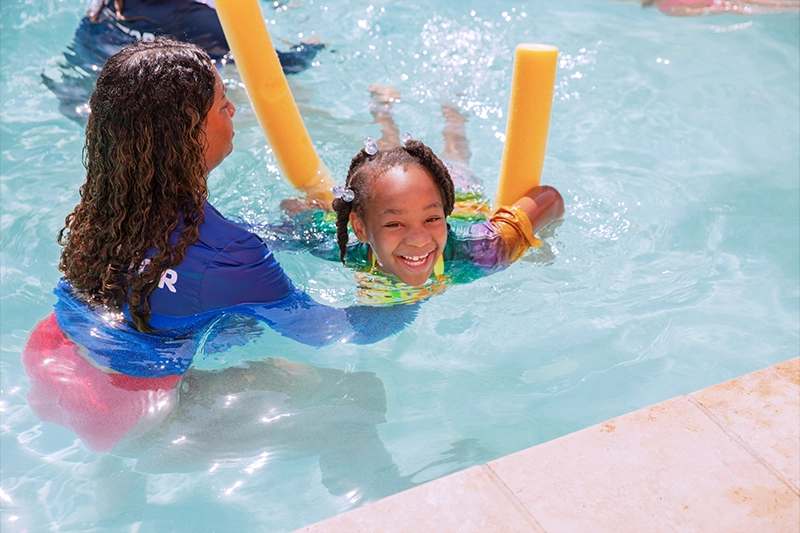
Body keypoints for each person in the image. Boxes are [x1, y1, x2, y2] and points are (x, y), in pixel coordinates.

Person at [262, 86, 565, 305]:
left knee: (456, 153)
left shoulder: (481, 249)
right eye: (394, 224)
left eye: (432, 219)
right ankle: (382, 111)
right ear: (359, 228)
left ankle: (452, 110)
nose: (418, 239)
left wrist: (537, 245)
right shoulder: (341, 247)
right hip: (410, 200)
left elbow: (549, 198)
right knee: (380, 165)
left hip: (464, 203)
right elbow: (294, 211)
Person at [44, 0, 324, 121]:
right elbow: (282, 67)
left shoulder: (107, 5)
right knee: (295, 99)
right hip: (160, 124)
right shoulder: (207, 23)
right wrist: (314, 44)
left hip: (80, 105)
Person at [621, 0, 799, 16]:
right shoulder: (669, 8)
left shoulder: (668, 8)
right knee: (774, 7)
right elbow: (698, 12)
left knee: (779, 6)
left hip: (721, 3)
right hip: (720, 5)